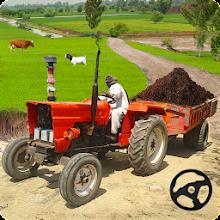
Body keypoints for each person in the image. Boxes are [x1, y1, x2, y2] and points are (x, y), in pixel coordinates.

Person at [103, 75, 129, 140]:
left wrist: (107, 95)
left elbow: (115, 96)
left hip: (123, 107)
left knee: (115, 113)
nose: (107, 84)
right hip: (116, 106)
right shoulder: (112, 87)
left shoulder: (117, 86)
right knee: (105, 112)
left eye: (107, 83)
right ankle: (105, 131)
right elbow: (111, 99)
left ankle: (113, 134)